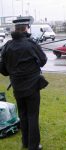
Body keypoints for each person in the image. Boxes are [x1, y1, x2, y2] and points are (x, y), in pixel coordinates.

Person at [0, 18, 48, 150]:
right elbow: (43, 60)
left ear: (15, 29)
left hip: (17, 87)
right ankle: (33, 145)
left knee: (23, 114)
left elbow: (3, 69)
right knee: (32, 115)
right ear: (26, 28)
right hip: (32, 88)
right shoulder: (31, 44)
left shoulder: (7, 46)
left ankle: (25, 142)